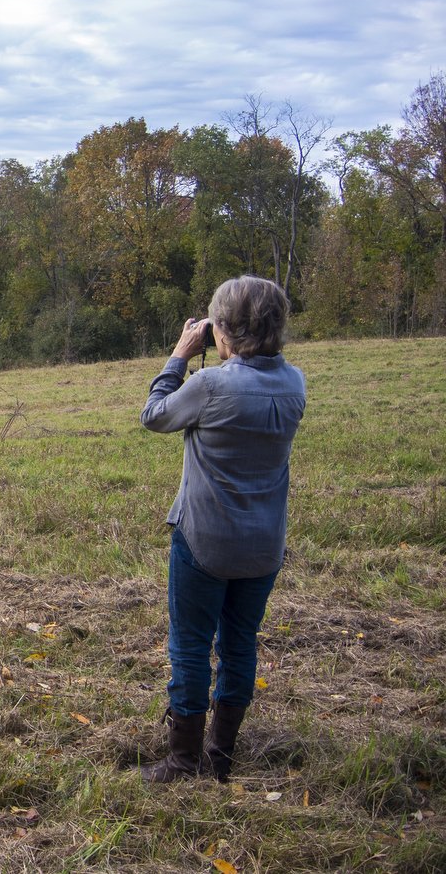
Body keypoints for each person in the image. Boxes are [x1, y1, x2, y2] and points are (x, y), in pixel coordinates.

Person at [138, 275, 306, 783]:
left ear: (223, 329)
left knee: (190, 644)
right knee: (240, 642)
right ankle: (221, 756)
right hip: (263, 543)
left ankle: (182, 760)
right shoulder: (294, 381)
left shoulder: (210, 384)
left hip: (205, 540)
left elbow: (153, 416)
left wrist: (179, 356)